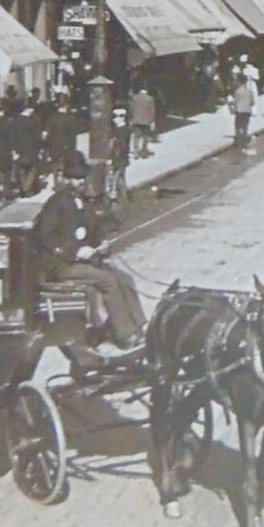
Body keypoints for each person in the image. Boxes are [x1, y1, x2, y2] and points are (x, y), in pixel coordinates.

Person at [33, 165, 145, 351]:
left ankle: (139, 326)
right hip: (61, 265)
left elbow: (92, 229)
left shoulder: (84, 201)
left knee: (124, 278)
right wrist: (74, 252)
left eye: (83, 178)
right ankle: (124, 335)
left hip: (83, 260)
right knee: (108, 281)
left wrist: (101, 243)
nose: (81, 182)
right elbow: (45, 237)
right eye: (76, 178)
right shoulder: (56, 203)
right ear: (66, 179)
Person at [230, 72, 257, 150]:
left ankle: (239, 144)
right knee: (245, 127)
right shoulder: (249, 91)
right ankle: (244, 144)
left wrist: (231, 104)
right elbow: (252, 102)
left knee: (238, 127)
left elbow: (235, 102)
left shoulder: (237, 91)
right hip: (247, 111)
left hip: (239, 111)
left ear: (239, 81)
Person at [129, 85, 157, 153]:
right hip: (146, 121)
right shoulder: (150, 98)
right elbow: (152, 111)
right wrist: (152, 121)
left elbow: (131, 109)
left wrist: (131, 119)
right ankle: (144, 149)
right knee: (145, 136)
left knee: (136, 136)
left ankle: (136, 150)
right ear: (146, 91)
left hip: (136, 120)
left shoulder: (134, 98)